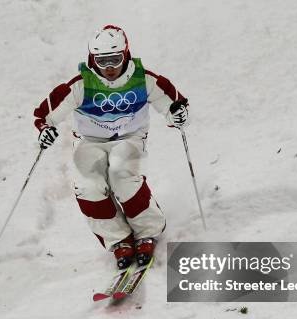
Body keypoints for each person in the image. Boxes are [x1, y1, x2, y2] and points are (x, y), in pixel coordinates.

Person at [33, 24, 189, 270]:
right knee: (88, 186)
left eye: (115, 59)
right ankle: (119, 240)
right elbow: (47, 113)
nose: (109, 68)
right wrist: (45, 129)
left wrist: (177, 115)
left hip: (129, 138)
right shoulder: (81, 84)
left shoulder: (143, 79)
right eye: (102, 61)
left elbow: (174, 103)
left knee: (121, 174)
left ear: (125, 54)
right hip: (90, 141)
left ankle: (147, 231)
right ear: (92, 59)